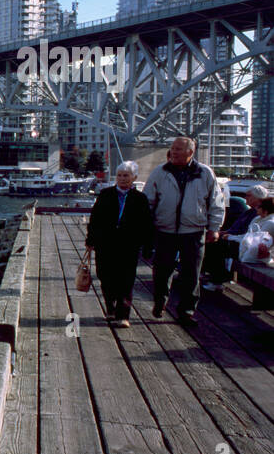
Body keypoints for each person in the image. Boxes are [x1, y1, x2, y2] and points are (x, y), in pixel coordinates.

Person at [142, 137, 224, 326]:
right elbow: (148, 201)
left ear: (190, 152)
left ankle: (186, 311)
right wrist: (148, 228)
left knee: (191, 273)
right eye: (172, 148)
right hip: (165, 230)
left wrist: (214, 228)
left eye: (179, 149)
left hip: (193, 230)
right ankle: (160, 301)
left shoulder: (204, 173)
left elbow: (216, 203)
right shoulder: (159, 172)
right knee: (162, 270)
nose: (174, 152)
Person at [86, 161, 154, 327]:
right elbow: (95, 219)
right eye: (120, 175)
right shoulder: (105, 194)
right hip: (105, 243)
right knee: (105, 276)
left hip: (128, 245)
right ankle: (110, 307)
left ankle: (123, 315)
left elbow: (146, 223)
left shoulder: (140, 198)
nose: (122, 179)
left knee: (126, 279)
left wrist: (147, 246)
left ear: (134, 178)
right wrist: (90, 240)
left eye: (126, 175)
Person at [203, 184, 269, 289]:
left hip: (246, 246)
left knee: (216, 245)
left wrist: (227, 236)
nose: (246, 198)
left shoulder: (258, 215)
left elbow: (249, 235)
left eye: (248, 195)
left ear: (258, 198)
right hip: (237, 240)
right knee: (210, 239)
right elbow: (234, 229)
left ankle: (217, 280)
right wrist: (221, 233)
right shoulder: (249, 212)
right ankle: (212, 274)